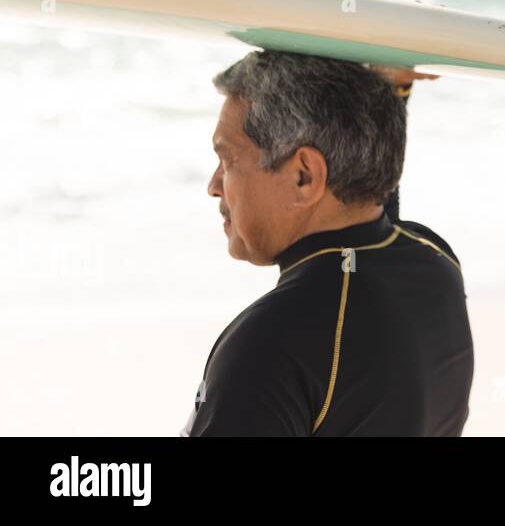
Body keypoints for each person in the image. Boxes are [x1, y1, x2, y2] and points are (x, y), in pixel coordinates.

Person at [180, 50, 472, 436]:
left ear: (304, 176)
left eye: (228, 160)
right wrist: (389, 93)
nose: (214, 186)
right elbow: (371, 205)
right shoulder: (434, 263)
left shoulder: (269, 349)